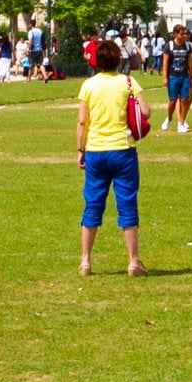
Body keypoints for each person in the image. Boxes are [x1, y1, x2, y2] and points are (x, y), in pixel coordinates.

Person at [73, 37, 149, 278]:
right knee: (127, 203)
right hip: (123, 149)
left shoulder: (88, 86)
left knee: (93, 203)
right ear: (117, 59)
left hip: (95, 150)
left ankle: (85, 261)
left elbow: (82, 121)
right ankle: (133, 261)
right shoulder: (128, 82)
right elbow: (145, 111)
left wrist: (80, 149)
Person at [161, 25, 192, 134]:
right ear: (175, 34)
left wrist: (191, 75)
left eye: (185, 33)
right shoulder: (169, 46)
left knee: (184, 99)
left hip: (184, 76)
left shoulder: (188, 46)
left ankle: (181, 123)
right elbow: (166, 62)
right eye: (181, 34)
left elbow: (189, 62)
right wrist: (165, 77)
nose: (184, 36)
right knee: (173, 100)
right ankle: (169, 117)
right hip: (173, 76)